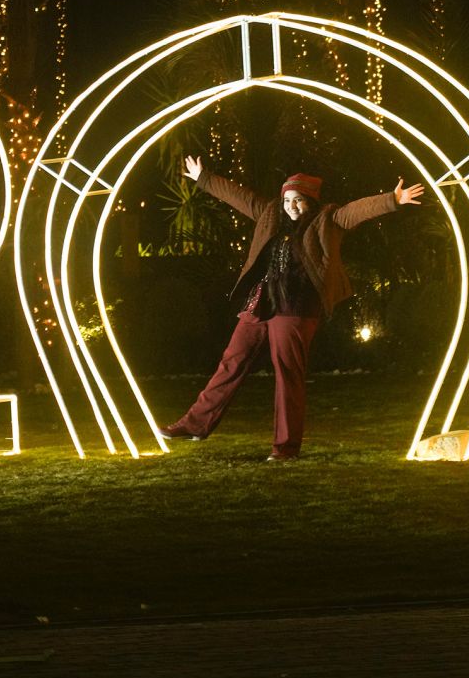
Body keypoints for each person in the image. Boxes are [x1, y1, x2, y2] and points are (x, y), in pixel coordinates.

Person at [160, 156, 424, 460]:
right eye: (287, 199)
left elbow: (356, 211)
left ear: (310, 201)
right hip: (261, 304)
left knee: (288, 375)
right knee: (231, 362)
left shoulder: (327, 219)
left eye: (298, 200)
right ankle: (196, 423)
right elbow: (239, 196)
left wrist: (393, 199)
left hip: (296, 307)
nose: (291, 206)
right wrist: (204, 178)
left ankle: (285, 447)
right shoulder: (270, 214)